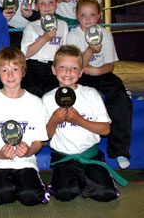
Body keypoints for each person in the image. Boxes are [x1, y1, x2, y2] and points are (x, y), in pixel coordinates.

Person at [42, 45, 126, 202]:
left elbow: (105, 130)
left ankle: (92, 178)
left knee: (105, 194)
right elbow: (45, 136)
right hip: (64, 157)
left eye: (74, 68)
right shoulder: (47, 99)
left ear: (81, 72)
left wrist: (79, 121)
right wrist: (54, 120)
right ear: (54, 70)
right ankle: (75, 181)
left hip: (89, 154)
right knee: (63, 194)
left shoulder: (90, 94)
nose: (68, 72)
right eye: (62, 67)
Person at [66, 0, 132, 169]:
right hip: (79, 75)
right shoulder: (73, 35)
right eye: (83, 15)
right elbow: (75, 66)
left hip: (101, 72)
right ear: (76, 16)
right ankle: (74, 148)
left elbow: (110, 65)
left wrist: (96, 71)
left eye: (92, 15)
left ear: (100, 16)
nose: (88, 19)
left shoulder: (106, 34)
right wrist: (90, 50)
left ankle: (120, 150)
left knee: (120, 97)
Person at [0, 46, 49, 206]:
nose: (10, 75)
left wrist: (29, 151)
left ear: (23, 72)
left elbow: (38, 140)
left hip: (26, 162)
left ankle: (34, 183)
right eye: (4, 70)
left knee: (31, 197)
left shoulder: (35, 102)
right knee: (2, 196)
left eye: (15, 69)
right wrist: (0, 153)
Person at [20, 0, 68, 97]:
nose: (47, 6)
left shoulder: (62, 25)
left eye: (51, 2)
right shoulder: (31, 26)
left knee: (54, 93)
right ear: (36, 7)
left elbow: (64, 51)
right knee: (33, 91)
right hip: (33, 66)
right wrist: (44, 38)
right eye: (42, 3)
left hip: (54, 67)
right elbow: (25, 53)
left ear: (56, 4)